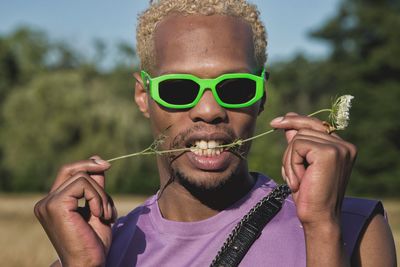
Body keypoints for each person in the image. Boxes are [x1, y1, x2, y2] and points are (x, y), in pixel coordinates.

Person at [34, 0, 397, 266]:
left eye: (236, 87)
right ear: (143, 96)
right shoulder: (92, 252)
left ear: (262, 96)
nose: (209, 111)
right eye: (178, 89)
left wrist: (320, 230)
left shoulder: (353, 228)